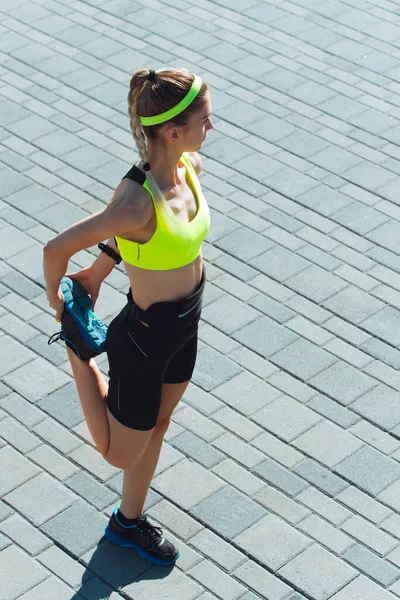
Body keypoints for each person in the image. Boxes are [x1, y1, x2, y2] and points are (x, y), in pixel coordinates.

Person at [43, 67, 213, 566]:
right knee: (120, 453)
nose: (212, 128)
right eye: (206, 120)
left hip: (187, 323)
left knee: (158, 426)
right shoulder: (136, 200)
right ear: (173, 130)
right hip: (145, 336)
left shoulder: (189, 167)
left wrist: (98, 270)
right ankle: (79, 351)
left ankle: (127, 522)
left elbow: (145, 241)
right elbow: (55, 249)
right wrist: (61, 300)